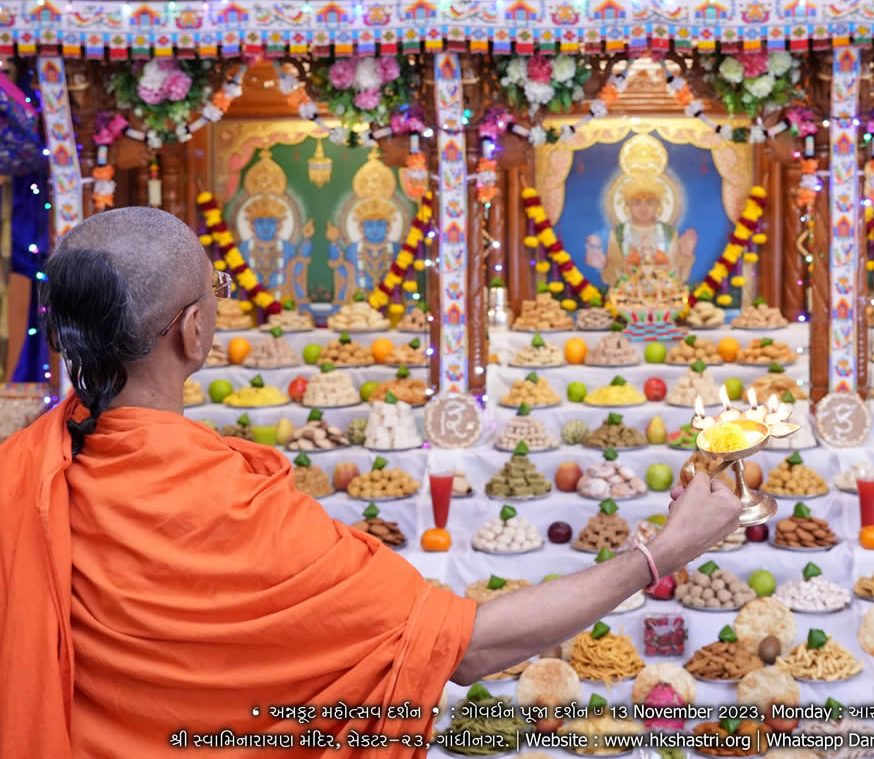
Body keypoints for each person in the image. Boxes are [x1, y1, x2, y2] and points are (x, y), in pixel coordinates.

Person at [0, 208, 742, 757]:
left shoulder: (16, 481)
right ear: (193, 330)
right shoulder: (237, 507)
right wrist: (661, 555)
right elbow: (466, 647)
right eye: (218, 290)